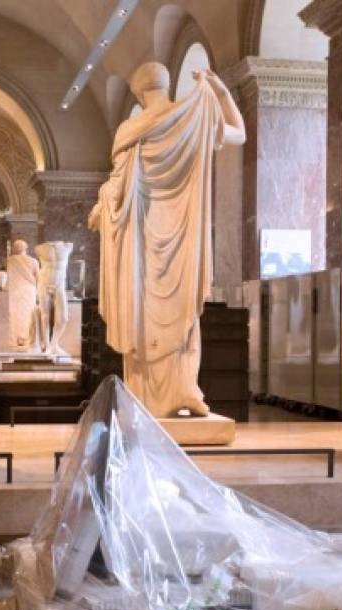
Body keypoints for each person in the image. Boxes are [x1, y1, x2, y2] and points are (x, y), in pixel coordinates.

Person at [89, 63, 246, 417]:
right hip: (182, 239)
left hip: (143, 239)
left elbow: (117, 187)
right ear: (166, 83)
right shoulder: (191, 118)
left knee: (143, 316)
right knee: (183, 314)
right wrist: (220, 92)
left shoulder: (131, 130)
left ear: (138, 92)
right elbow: (239, 133)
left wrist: (102, 207)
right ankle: (184, 389)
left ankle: (149, 397)